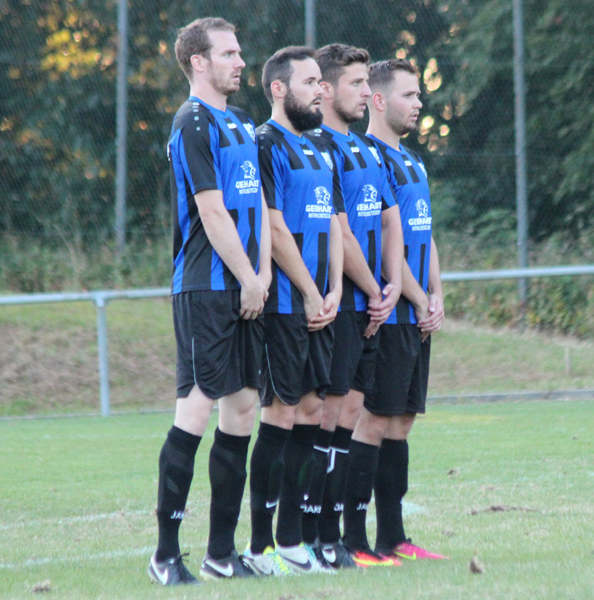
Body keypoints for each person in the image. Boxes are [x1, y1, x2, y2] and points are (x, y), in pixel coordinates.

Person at [148, 17, 272, 586]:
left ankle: (221, 554)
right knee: (195, 410)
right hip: (206, 286)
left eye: (239, 51)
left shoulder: (242, 122)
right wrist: (247, 276)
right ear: (198, 62)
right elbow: (211, 210)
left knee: (243, 409)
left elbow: (259, 206)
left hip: (248, 285)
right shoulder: (191, 121)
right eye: (228, 53)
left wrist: (261, 274)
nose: (240, 61)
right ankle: (164, 556)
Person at [241, 46, 344, 576]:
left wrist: (334, 289)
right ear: (279, 89)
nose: (320, 90)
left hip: (320, 303)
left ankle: (291, 542)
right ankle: (259, 548)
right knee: (278, 415)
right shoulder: (264, 143)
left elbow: (331, 225)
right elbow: (274, 227)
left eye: (321, 81)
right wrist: (307, 291)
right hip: (284, 306)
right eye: (309, 82)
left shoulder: (319, 147)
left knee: (310, 415)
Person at [301, 44, 404, 569]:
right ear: (326, 90)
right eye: (357, 83)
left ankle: (337, 538)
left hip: (370, 303)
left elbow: (388, 218)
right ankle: (311, 535)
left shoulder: (367, 149)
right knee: (326, 418)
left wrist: (391, 284)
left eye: (368, 82)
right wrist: (373, 288)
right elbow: (339, 230)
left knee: (351, 418)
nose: (366, 92)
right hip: (340, 303)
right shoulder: (318, 146)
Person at [341, 59, 447, 564]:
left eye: (419, 94)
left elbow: (424, 234)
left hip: (418, 316)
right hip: (391, 315)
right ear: (379, 101)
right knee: (372, 423)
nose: (419, 103)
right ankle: (353, 539)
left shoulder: (413, 161)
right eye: (409, 95)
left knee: (401, 423)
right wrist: (419, 299)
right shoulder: (370, 159)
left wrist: (437, 294)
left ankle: (393, 537)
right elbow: (390, 246)